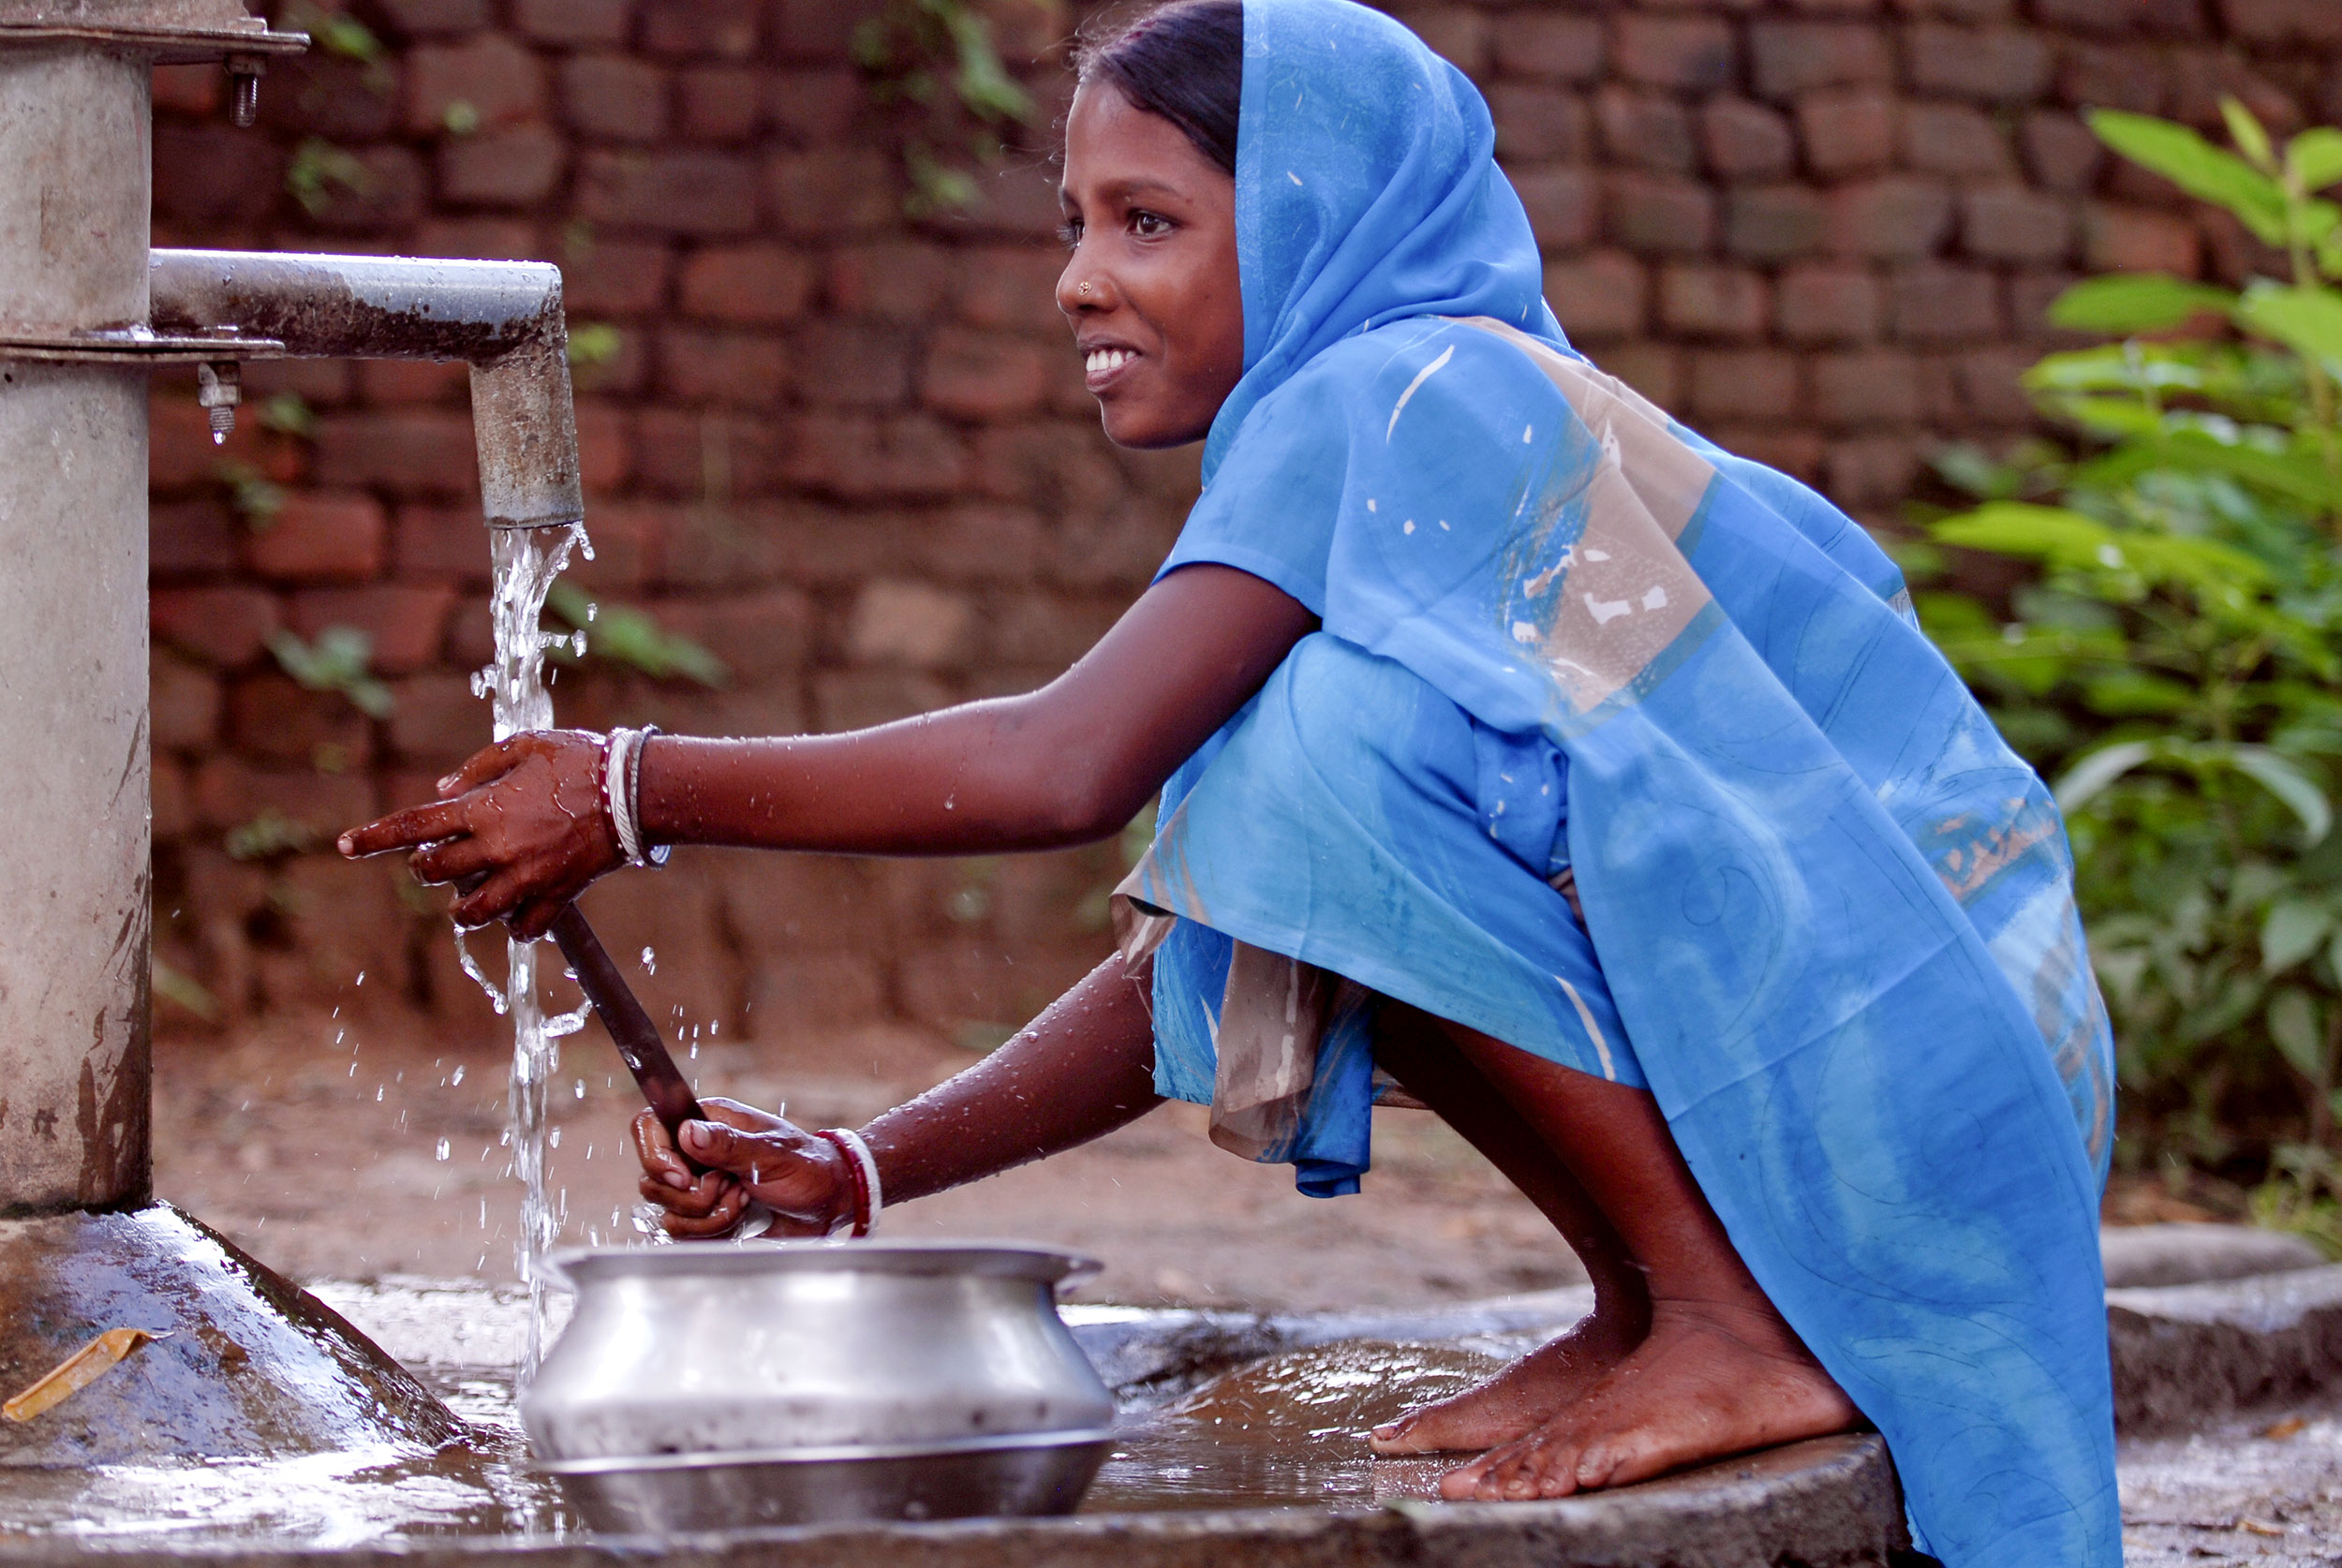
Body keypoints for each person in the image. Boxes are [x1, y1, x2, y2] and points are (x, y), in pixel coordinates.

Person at [341, 3, 2122, 1562]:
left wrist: (637, 783)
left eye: (1151, 220)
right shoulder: (1435, 407)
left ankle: (1728, 1322)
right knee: (1305, 767)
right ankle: (1658, 1299)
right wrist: (867, 1167)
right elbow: (1262, 899)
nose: (1079, 277)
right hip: (1921, 1063)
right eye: (1074, 222)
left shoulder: (1395, 388)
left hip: (1923, 1042)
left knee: (1310, 749)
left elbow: (1067, 763)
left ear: (1310, 222)